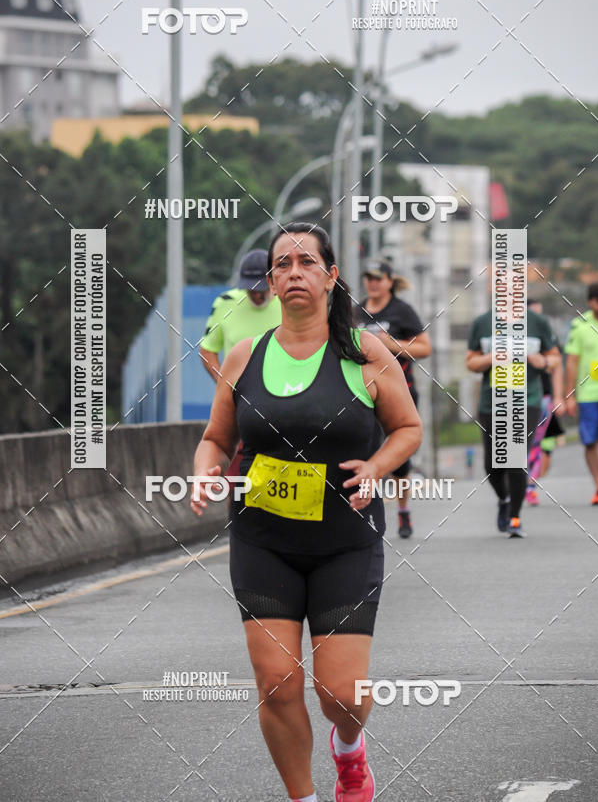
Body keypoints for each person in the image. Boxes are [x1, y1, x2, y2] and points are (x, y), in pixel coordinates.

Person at [191, 223, 422, 802]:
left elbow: (408, 428)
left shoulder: (365, 352)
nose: (294, 272)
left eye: (306, 262)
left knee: (341, 694)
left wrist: (375, 468)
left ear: (330, 275)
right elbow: (214, 438)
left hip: (345, 540)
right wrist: (204, 470)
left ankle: (350, 750)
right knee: (276, 683)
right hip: (262, 538)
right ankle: (305, 797)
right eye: (282, 264)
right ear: (271, 279)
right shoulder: (245, 356)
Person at [466, 298, 560, 537]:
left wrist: (544, 361)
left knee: (516, 461)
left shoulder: (537, 322)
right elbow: (471, 361)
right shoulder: (483, 322)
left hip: (527, 399)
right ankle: (505, 499)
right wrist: (493, 357)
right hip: (491, 402)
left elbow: (555, 357)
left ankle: (515, 518)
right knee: (492, 466)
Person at [354, 259, 431, 539]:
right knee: (364, 449)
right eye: (368, 278)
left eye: (378, 278)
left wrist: (392, 345)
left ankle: (402, 510)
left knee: (399, 458)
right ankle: (362, 509)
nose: (372, 283)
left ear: (389, 281)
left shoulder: (402, 311)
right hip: (363, 393)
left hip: (400, 391)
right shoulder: (356, 311)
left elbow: (425, 347)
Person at [200, 249, 282, 482]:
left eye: (262, 289)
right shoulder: (225, 303)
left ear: (272, 282)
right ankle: (236, 517)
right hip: (241, 404)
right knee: (236, 474)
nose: (257, 296)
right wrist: (224, 385)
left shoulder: (288, 302)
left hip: (282, 400)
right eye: (251, 289)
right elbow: (208, 350)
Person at [524, 300, 565, 505]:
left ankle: (530, 486)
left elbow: (557, 365)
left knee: (536, 443)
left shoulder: (547, 334)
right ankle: (515, 484)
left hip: (543, 396)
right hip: (516, 394)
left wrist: (559, 396)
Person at [564, 282, 598, 505]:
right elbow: (572, 362)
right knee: (589, 442)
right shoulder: (580, 326)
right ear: (591, 302)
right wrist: (569, 395)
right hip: (588, 395)